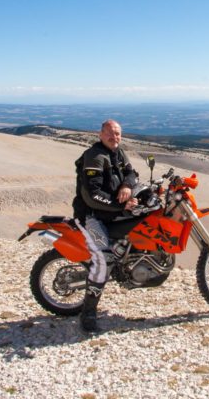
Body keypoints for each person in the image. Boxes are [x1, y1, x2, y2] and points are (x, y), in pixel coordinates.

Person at [72, 119, 139, 332]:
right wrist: (121, 207)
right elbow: (92, 196)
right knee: (104, 258)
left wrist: (127, 186)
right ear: (100, 134)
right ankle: (88, 313)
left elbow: (132, 173)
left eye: (118, 133)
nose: (114, 137)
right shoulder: (95, 156)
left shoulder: (118, 153)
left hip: (112, 213)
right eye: (110, 133)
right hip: (92, 216)